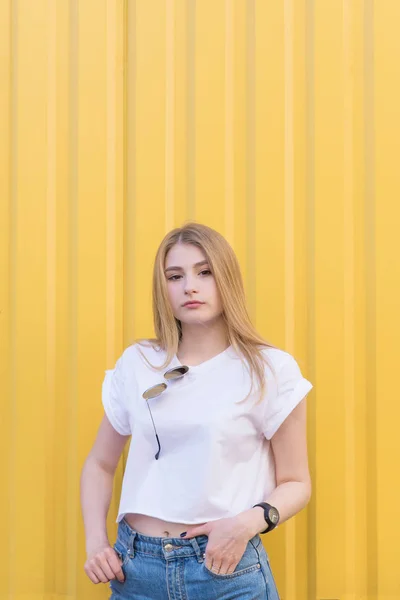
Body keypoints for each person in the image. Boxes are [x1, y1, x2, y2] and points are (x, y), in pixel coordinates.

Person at [80, 222, 313, 600]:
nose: (190, 286)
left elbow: (297, 483)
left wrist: (246, 524)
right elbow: (99, 464)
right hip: (136, 572)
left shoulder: (270, 369)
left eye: (204, 272)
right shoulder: (138, 362)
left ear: (227, 280)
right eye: (175, 276)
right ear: (163, 288)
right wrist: (96, 543)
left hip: (226, 570)